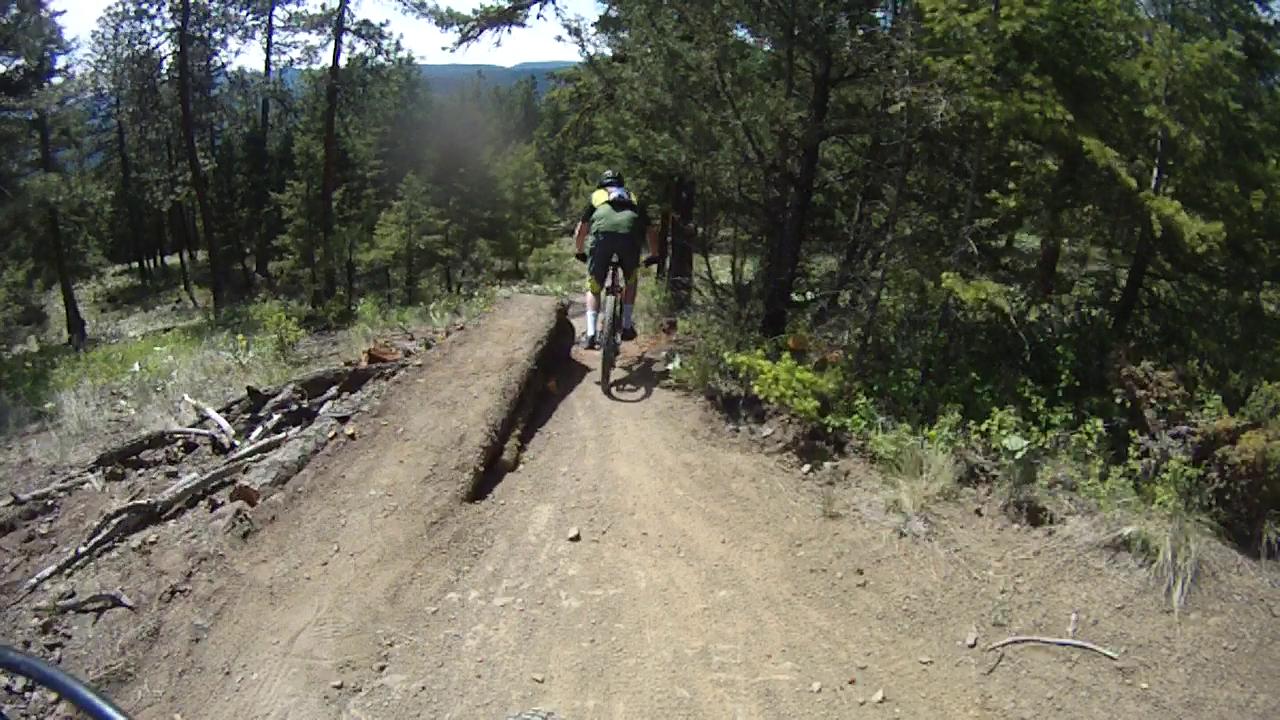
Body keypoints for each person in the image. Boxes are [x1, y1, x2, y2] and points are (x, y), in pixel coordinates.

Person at [574, 169, 660, 349]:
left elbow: (582, 228)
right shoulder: (632, 197)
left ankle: (590, 334)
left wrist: (579, 250)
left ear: (601, 183)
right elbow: (651, 230)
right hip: (629, 239)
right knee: (631, 280)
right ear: (621, 184)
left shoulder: (596, 196)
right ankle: (627, 326)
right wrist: (654, 254)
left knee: (594, 286)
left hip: (602, 239)